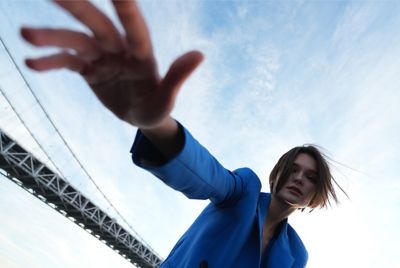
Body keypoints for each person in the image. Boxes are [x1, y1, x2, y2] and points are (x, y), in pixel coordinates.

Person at [21, 1, 345, 267]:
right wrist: (154, 123)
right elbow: (207, 174)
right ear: (276, 175)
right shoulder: (243, 190)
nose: (300, 179)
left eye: (312, 177)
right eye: (293, 169)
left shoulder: (296, 254)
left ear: (317, 195)